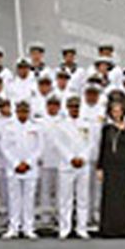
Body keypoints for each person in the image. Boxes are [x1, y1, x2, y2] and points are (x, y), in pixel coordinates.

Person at [97, 98, 125, 238]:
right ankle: (109, 229)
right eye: (114, 111)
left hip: (124, 166)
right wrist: (99, 167)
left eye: (119, 111)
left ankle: (124, 228)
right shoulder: (107, 129)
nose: (116, 114)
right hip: (110, 166)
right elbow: (102, 148)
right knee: (110, 197)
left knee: (124, 197)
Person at [51, 95, 96, 238]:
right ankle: (65, 227)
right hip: (66, 165)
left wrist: (82, 157)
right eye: (72, 107)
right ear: (67, 108)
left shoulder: (87, 123)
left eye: (76, 107)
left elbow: (91, 143)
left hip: (83, 164)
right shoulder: (60, 124)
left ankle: (81, 228)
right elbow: (57, 143)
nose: (74, 109)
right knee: (65, 198)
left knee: (83, 197)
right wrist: (70, 158)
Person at [1, 100, 43, 239]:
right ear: (16, 111)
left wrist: (29, 163)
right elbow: (4, 147)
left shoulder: (36, 127)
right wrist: (15, 163)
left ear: (29, 112)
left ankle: (28, 227)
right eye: (20, 111)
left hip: (30, 167)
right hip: (13, 167)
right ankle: (13, 227)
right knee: (14, 198)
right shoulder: (8, 126)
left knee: (29, 199)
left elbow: (40, 147)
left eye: (25, 111)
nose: (22, 114)